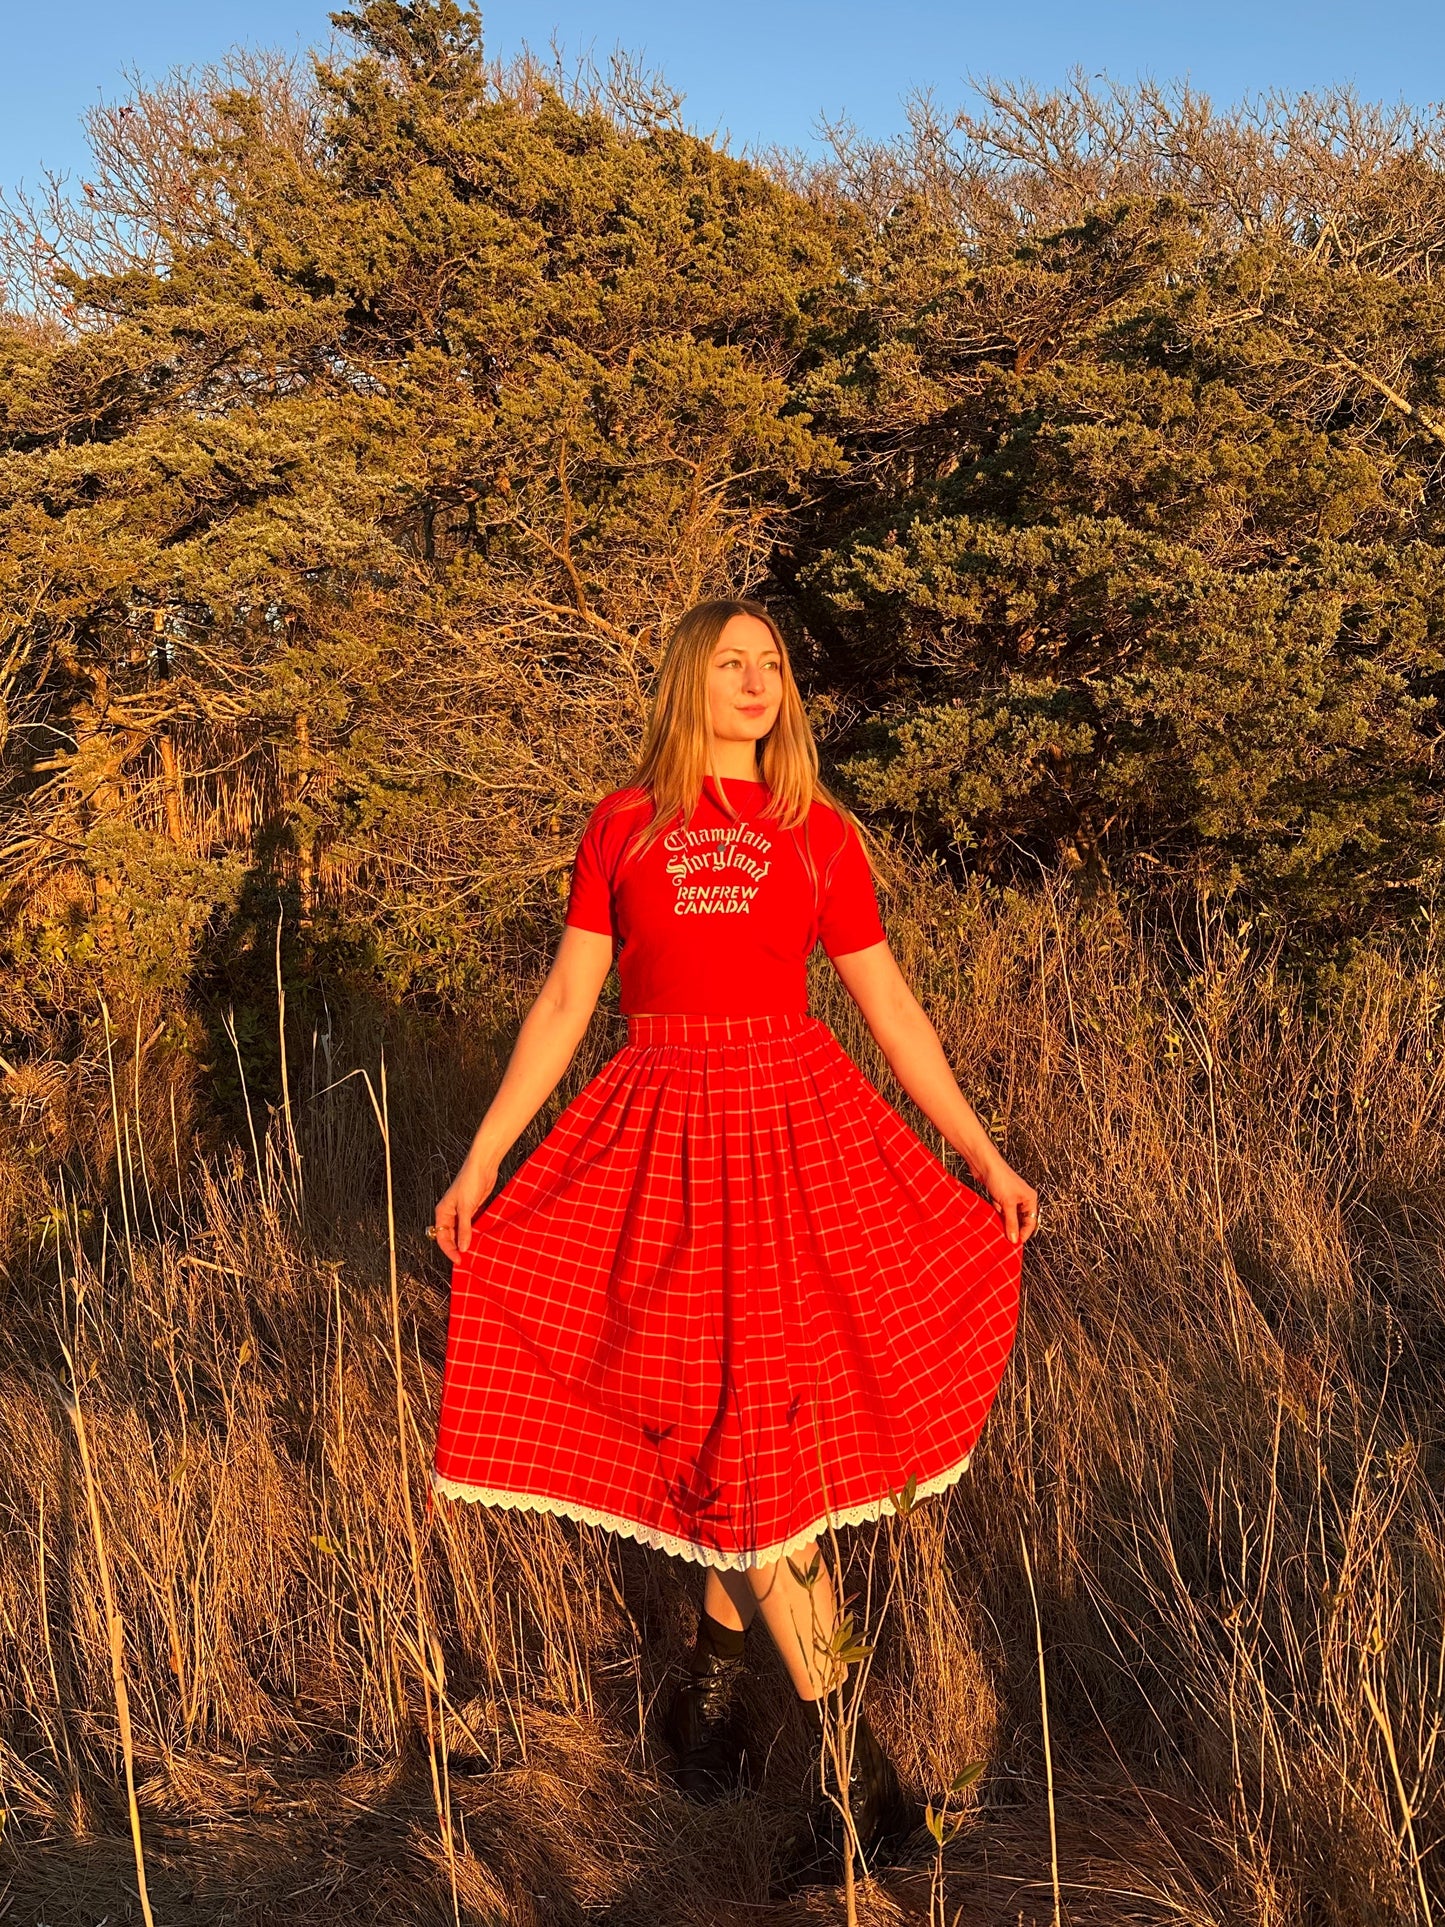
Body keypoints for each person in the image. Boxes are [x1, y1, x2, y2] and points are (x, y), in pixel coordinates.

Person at [430, 597, 1037, 1864]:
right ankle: (765, 1738)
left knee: (765, 1450)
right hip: (658, 1145)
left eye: (770, 663)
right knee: (728, 1436)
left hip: (796, 1147)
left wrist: (978, 1152)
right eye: (730, 662)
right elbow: (563, 999)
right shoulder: (622, 823)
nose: (755, 681)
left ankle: (803, 1760)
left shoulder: (820, 832)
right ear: (686, 682)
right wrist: (486, 1155)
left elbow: (890, 1011)